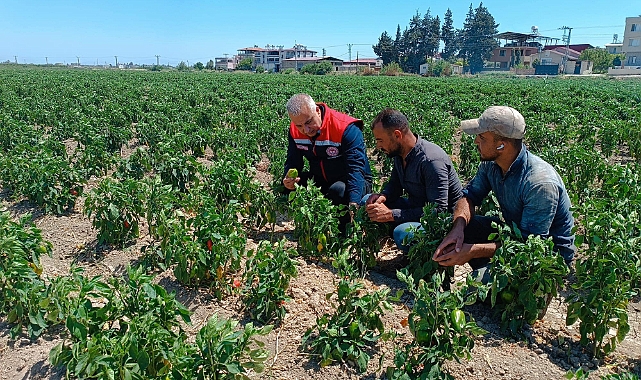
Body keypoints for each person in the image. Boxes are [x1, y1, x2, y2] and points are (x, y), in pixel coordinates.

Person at [433, 106, 575, 282]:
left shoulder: (539, 184)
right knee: (464, 223)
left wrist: (472, 251)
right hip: (517, 235)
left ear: (501, 145)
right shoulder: (491, 164)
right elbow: (470, 196)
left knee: (477, 285)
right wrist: (458, 229)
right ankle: (492, 274)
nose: (476, 141)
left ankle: (523, 291)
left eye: (482, 137)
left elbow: (530, 245)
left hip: (547, 255)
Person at [365, 108, 463, 251]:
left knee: (402, 234)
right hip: (416, 208)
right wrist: (383, 197)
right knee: (368, 201)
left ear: (397, 135)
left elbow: (438, 211)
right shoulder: (400, 154)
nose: (378, 146)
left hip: (442, 222)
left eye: (380, 140)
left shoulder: (431, 161)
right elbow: (395, 185)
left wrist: (391, 215)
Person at [283, 94, 372, 228]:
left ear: (317, 111)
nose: (305, 130)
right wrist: (288, 179)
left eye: (308, 122)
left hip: (353, 181)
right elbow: (293, 161)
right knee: (289, 184)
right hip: (321, 179)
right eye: (299, 125)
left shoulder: (345, 128)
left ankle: (344, 230)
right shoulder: (295, 130)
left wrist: (354, 203)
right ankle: (309, 226)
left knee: (338, 191)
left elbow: (355, 170)